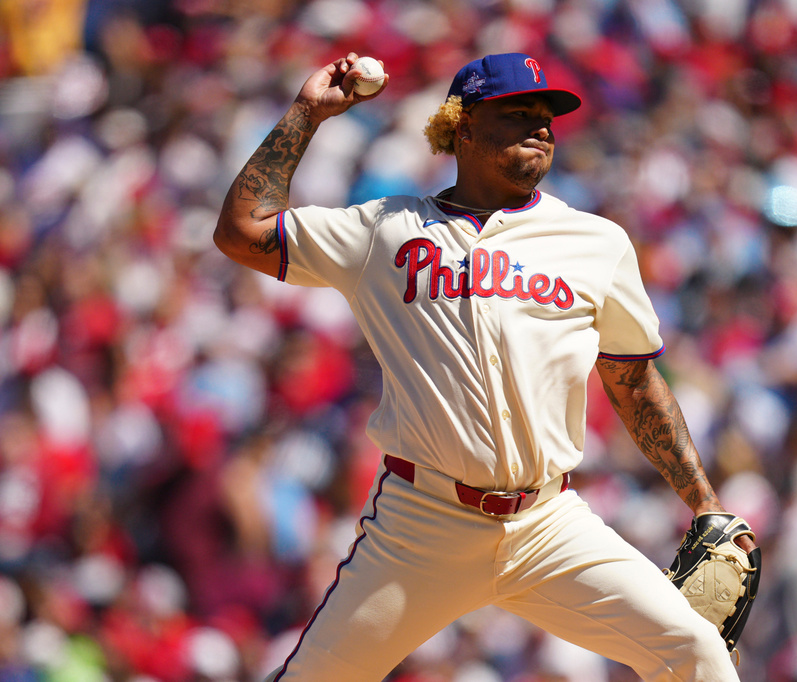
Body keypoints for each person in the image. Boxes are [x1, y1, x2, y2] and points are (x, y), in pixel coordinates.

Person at [214, 51, 757, 682]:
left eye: (548, 116)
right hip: (423, 524)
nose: (543, 126)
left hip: (549, 524)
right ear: (461, 126)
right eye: (519, 112)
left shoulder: (596, 242)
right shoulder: (385, 229)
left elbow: (633, 379)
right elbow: (239, 230)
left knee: (696, 653)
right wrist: (309, 113)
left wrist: (705, 503)